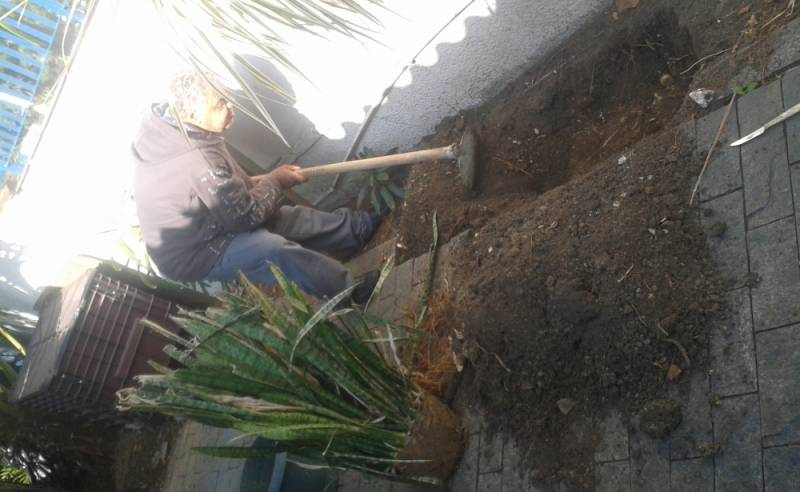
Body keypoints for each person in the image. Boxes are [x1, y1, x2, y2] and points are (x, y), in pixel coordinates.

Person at [131, 71, 381, 303]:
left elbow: (227, 194)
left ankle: (358, 230)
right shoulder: (196, 161)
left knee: (285, 217)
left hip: (210, 217)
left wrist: (263, 186)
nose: (231, 108)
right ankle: (346, 295)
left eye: (227, 98)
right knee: (271, 250)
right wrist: (277, 180)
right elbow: (246, 217)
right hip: (193, 251)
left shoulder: (172, 126)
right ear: (192, 114)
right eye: (220, 105)